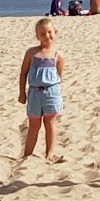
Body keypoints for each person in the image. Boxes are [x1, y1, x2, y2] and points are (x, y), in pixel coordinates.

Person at [18, 18, 66, 164]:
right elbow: (23, 73)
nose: (47, 36)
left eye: (50, 32)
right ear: (37, 36)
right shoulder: (31, 53)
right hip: (34, 93)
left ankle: (49, 153)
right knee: (34, 124)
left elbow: (59, 76)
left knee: (50, 122)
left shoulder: (58, 55)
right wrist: (22, 93)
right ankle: (27, 154)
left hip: (51, 93)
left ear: (55, 33)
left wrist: (57, 93)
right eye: (43, 34)